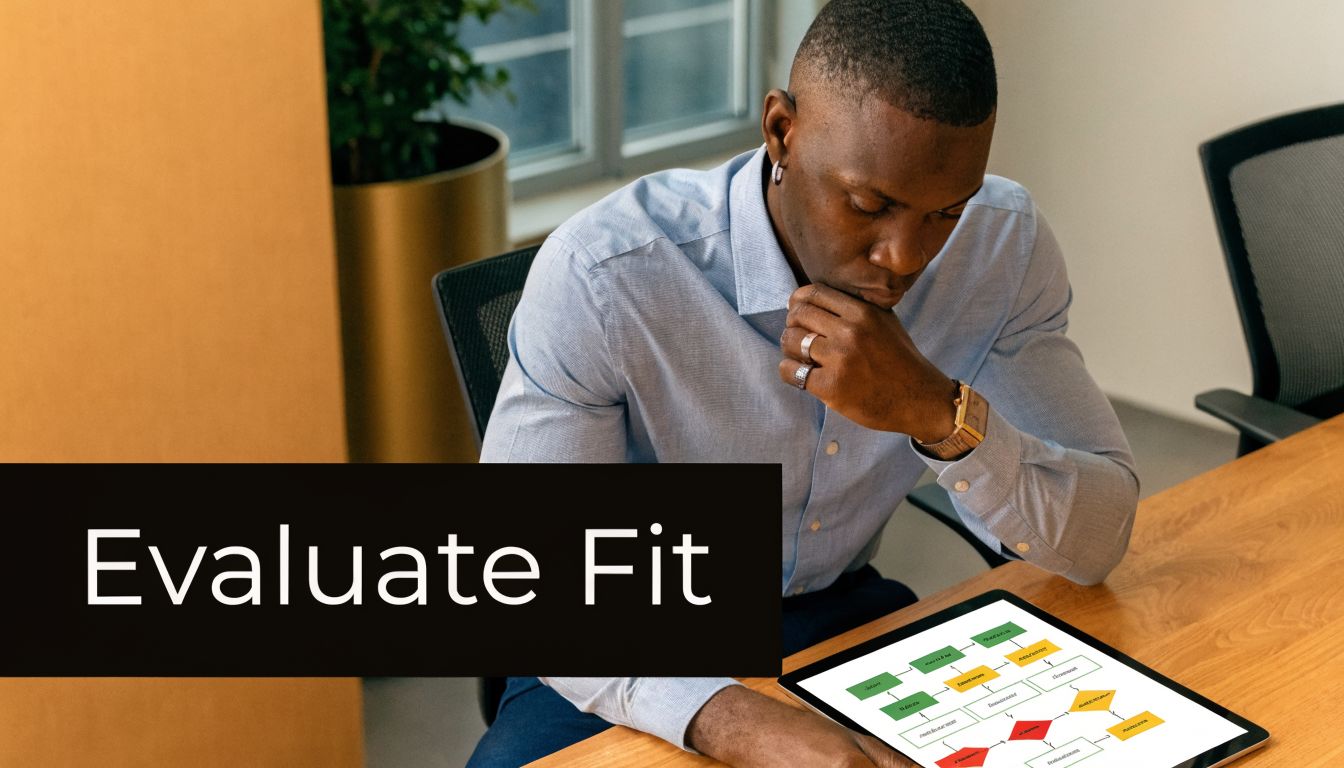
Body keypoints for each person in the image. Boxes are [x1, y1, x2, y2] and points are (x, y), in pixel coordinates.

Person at [468, 1, 1139, 765]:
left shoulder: (1002, 244)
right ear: (781, 130)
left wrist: (937, 413)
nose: (904, 257)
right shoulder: (606, 275)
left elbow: (1098, 539)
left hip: (840, 615)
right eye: (869, 205)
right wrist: (738, 721)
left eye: (945, 212)